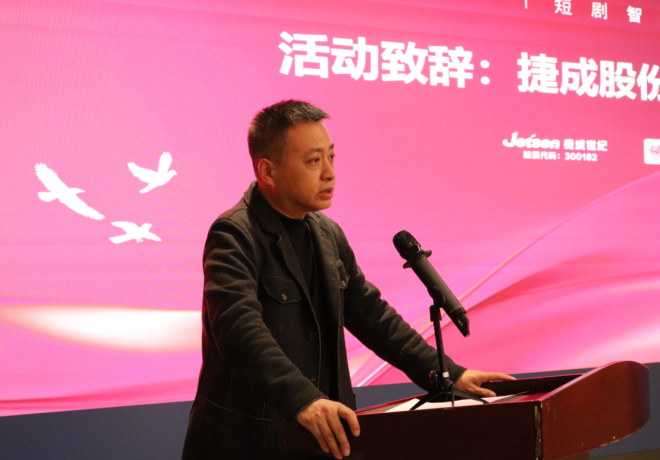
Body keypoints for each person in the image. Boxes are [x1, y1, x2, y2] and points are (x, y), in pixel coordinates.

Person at [181, 100, 513, 460]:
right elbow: (239, 330)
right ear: (268, 170)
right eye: (313, 161)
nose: (329, 173)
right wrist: (303, 400)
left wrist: (449, 374)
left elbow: (372, 316)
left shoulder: (328, 234)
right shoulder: (234, 233)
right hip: (251, 441)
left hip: (324, 439)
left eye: (331, 157)